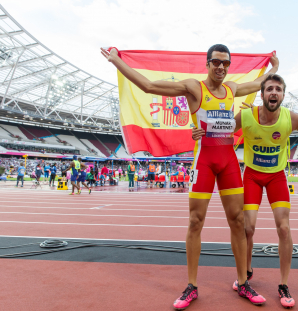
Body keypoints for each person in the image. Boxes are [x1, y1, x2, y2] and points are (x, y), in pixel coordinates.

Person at [101, 43, 279, 309]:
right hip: (204, 161)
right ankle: (192, 286)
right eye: (216, 62)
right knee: (196, 221)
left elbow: (258, 83)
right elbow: (149, 86)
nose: (221, 67)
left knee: (238, 221)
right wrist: (116, 61)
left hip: (229, 161)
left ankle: (243, 282)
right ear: (207, 64)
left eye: (225, 63)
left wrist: (275, 67)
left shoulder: (231, 89)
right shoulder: (194, 87)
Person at [192, 74, 298, 308]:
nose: (274, 92)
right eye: (269, 88)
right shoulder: (247, 115)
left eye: (278, 89)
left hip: (277, 176)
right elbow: (220, 130)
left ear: (283, 95)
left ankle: (283, 284)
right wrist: (195, 131)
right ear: (262, 94)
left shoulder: (291, 118)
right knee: (247, 228)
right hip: (252, 177)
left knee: (284, 228)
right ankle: (245, 274)